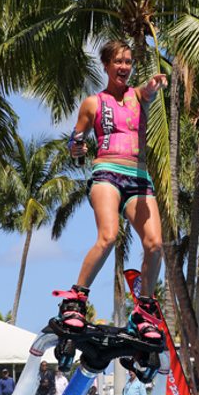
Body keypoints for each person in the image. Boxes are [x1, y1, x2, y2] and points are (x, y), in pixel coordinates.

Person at [57, 40, 169, 347]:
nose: (124, 67)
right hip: (106, 172)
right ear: (106, 65)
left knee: (155, 244)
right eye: (118, 62)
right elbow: (75, 143)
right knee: (108, 236)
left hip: (139, 177)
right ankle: (76, 299)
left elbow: (147, 90)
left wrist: (154, 83)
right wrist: (77, 148)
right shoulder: (93, 103)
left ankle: (144, 310)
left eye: (128, 62)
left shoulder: (138, 96)